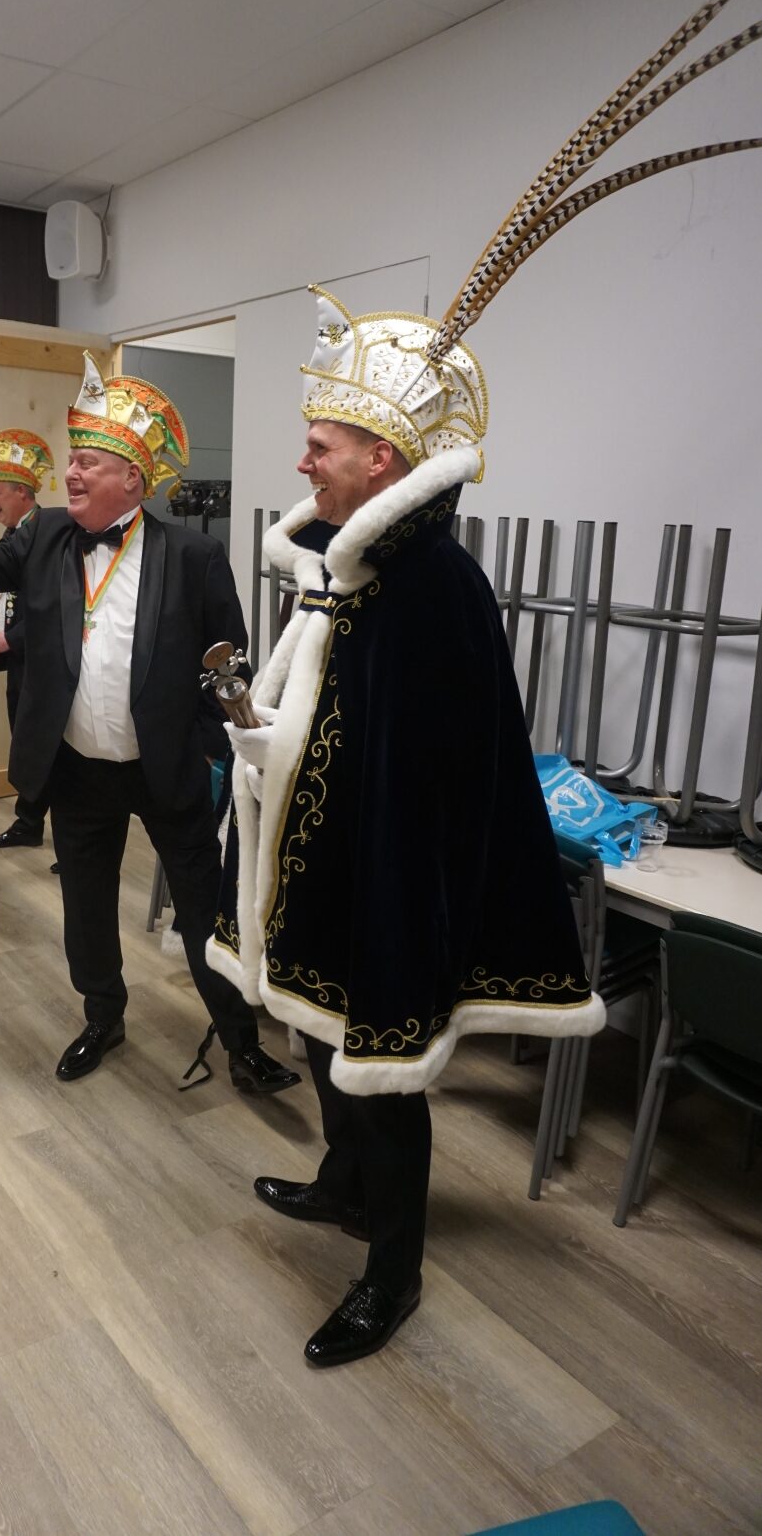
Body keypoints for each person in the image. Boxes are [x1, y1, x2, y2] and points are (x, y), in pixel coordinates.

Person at [209, 286, 604, 1366]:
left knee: (381, 1072)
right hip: (325, 857)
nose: (302, 463)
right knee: (318, 1036)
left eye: (320, 446)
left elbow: (430, 779)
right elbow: (339, 721)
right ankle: (345, 1188)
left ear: (380, 459)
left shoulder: (431, 586)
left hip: (385, 876)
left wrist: (393, 900)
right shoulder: (356, 570)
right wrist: (268, 742)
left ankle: (394, 1270)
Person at [0, 355, 299, 1099]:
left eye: (88, 462)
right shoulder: (47, 534)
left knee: (202, 911)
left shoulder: (196, 556)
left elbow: (226, 662)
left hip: (167, 769)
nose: (72, 473)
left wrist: (212, 754)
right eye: (73, 460)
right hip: (78, 767)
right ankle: (103, 1017)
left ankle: (240, 1043)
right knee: (86, 906)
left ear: (133, 479)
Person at [0, 426, 54, 858]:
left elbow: (60, 609)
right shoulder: (16, 533)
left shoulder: (47, 535)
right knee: (27, 744)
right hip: (22, 663)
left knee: (50, 749)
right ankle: (29, 823)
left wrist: (12, 640)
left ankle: (69, 843)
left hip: (44, 663)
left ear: (23, 492)